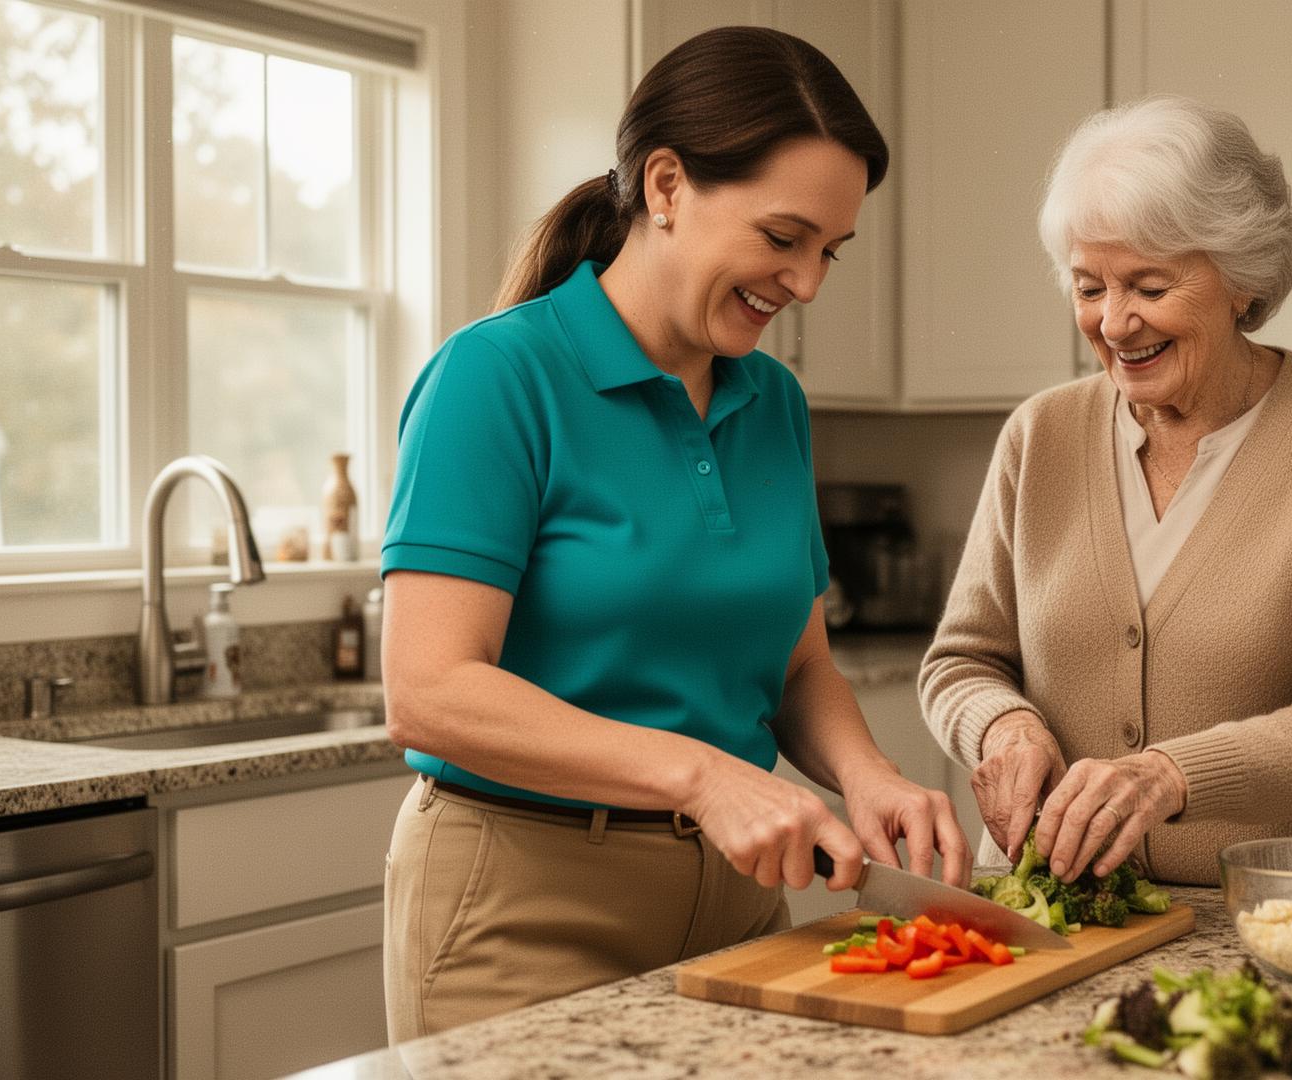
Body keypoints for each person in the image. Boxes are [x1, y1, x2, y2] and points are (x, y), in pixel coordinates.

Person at [380, 26, 968, 1041]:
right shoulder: (497, 378)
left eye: (829, 250)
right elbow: (428, 691)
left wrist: (869, 775)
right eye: (783, 239)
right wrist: (701, 775)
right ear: (664, 185)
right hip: (524, 907)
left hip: (741, 906)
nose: (809, 284)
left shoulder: (773, 401)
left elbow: (796, 663)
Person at [920, 96, 1292, 888]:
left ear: (1241, 280)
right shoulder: (1040, 433)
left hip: (1281, 918)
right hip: (1056, 913)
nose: (1115, 323)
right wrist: (1005, 726)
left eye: (1149, 288)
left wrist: (1171, 776)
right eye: (1089, 288)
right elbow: (960, 663)